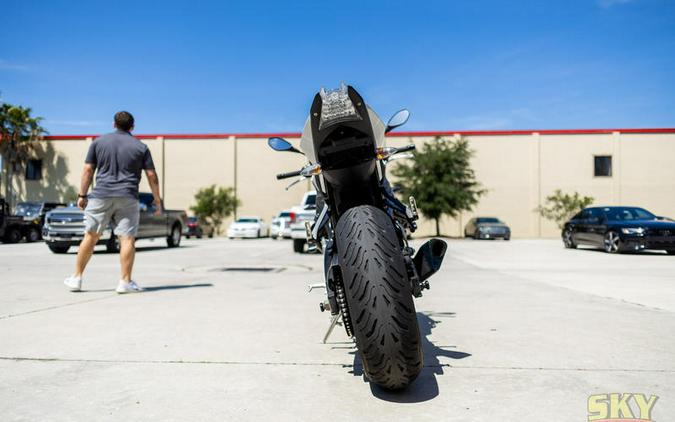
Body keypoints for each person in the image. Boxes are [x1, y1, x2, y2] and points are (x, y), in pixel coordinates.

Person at [63, 111, 162, 293]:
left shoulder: (98, 142)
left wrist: (82, 196)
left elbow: (87, 171)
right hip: (128, 196)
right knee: (127, 239)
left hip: (100, 195)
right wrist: (157, 200)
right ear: (132, 127)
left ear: (113, 124)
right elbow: (151, 176)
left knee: (91, 236)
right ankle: (125, 282)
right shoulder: (141, 147)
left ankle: (76, 278)